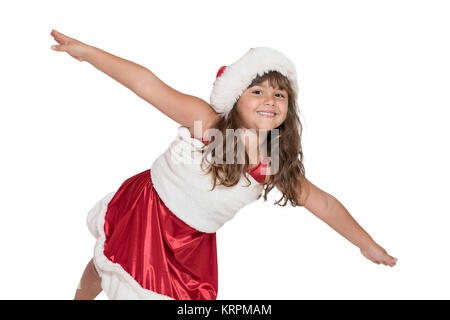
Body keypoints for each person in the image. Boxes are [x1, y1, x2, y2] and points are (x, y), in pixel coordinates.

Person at [50, 29, 398, 300]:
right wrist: (89, 54)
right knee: (104, 265)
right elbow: (147, 84)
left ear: (288, 109)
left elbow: (323, 203)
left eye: (280, 94)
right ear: (235, 100)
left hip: (189, 243)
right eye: (257, 91)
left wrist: (365, 243)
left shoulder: (271, 164)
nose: (270, 100)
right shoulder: (206, 122)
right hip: (148, 210)